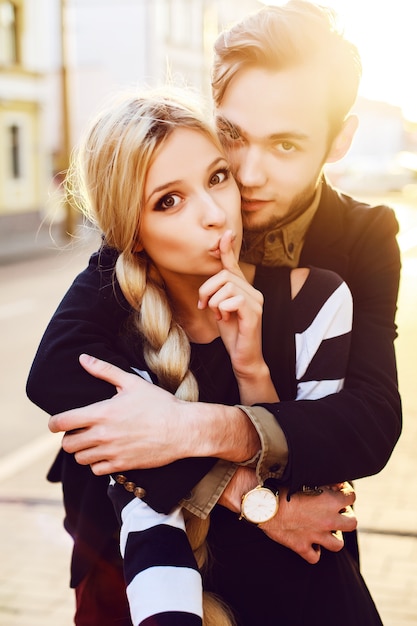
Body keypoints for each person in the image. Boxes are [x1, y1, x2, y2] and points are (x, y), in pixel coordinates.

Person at [27, 0, 401, 623]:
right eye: (233, 138)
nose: (247, 177)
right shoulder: (162, 211)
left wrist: (194, 428)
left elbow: (367, 420)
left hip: (294, 557)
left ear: (339, 141)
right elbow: (59, 370)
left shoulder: (360, 239)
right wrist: (237, 489)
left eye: (285, 144)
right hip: (137, 553)